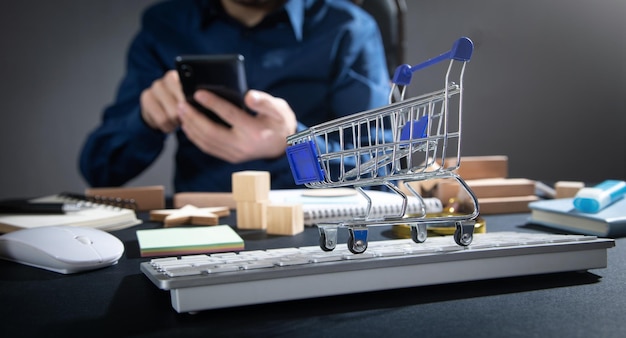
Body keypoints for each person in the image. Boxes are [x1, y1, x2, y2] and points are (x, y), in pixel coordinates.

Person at [79, 0, 390, 192]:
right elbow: (100, 170)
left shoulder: (348, 28)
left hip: (313, 222)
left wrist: (293, 145)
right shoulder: (164, 25)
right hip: (201, 226)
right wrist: (146, 119)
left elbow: (383, 167)